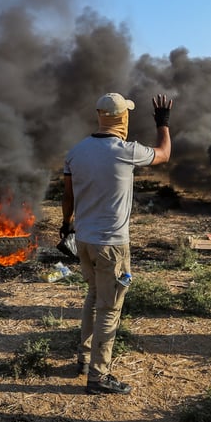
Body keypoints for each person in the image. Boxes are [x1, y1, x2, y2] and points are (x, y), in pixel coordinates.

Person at [61, 92, 172, 395]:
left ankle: (84, 359)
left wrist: (66, 224)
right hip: (111, 245)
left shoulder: (76, 152)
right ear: (123, 118)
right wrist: (163, 123)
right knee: (109, 308)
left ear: (99, 115)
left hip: (84, 240)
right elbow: (163, 154)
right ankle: (98, 376)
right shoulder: (126, 151)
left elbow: (68, 197)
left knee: (93, 296)